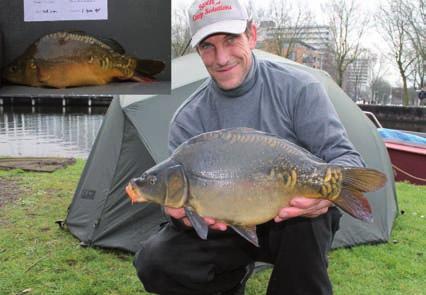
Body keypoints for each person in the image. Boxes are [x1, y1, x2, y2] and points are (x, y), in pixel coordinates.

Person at [133, 0, 364, 294]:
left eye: (231, 40)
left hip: (292, 222)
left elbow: (348, 160)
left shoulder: (299, 89)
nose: (221, 57)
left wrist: (326, 199)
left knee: (311, 223)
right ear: (197, 52)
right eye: (208, 46)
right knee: (155, 262)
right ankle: (230, 280)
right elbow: (178, 195)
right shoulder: (188, 119)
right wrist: (180, 215)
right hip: (225, 226)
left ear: (251, 35)